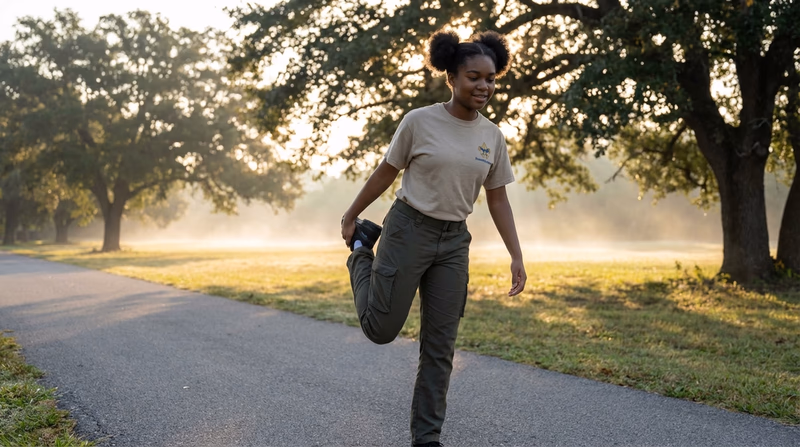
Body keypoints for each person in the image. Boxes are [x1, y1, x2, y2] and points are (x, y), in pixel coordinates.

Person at [340, 29, 527, 447]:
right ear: (452, 78)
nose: (484, 86)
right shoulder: (419, 121)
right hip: (408, 229)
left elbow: (497, 201)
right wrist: (352, 215)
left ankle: (427, 438)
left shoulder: (492, 137)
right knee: (380, 329)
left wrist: (516, 255)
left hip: (454, 242)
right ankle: (359, 255)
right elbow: (386, 172)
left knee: (440, 346)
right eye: (474, 77)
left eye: (491, 79)